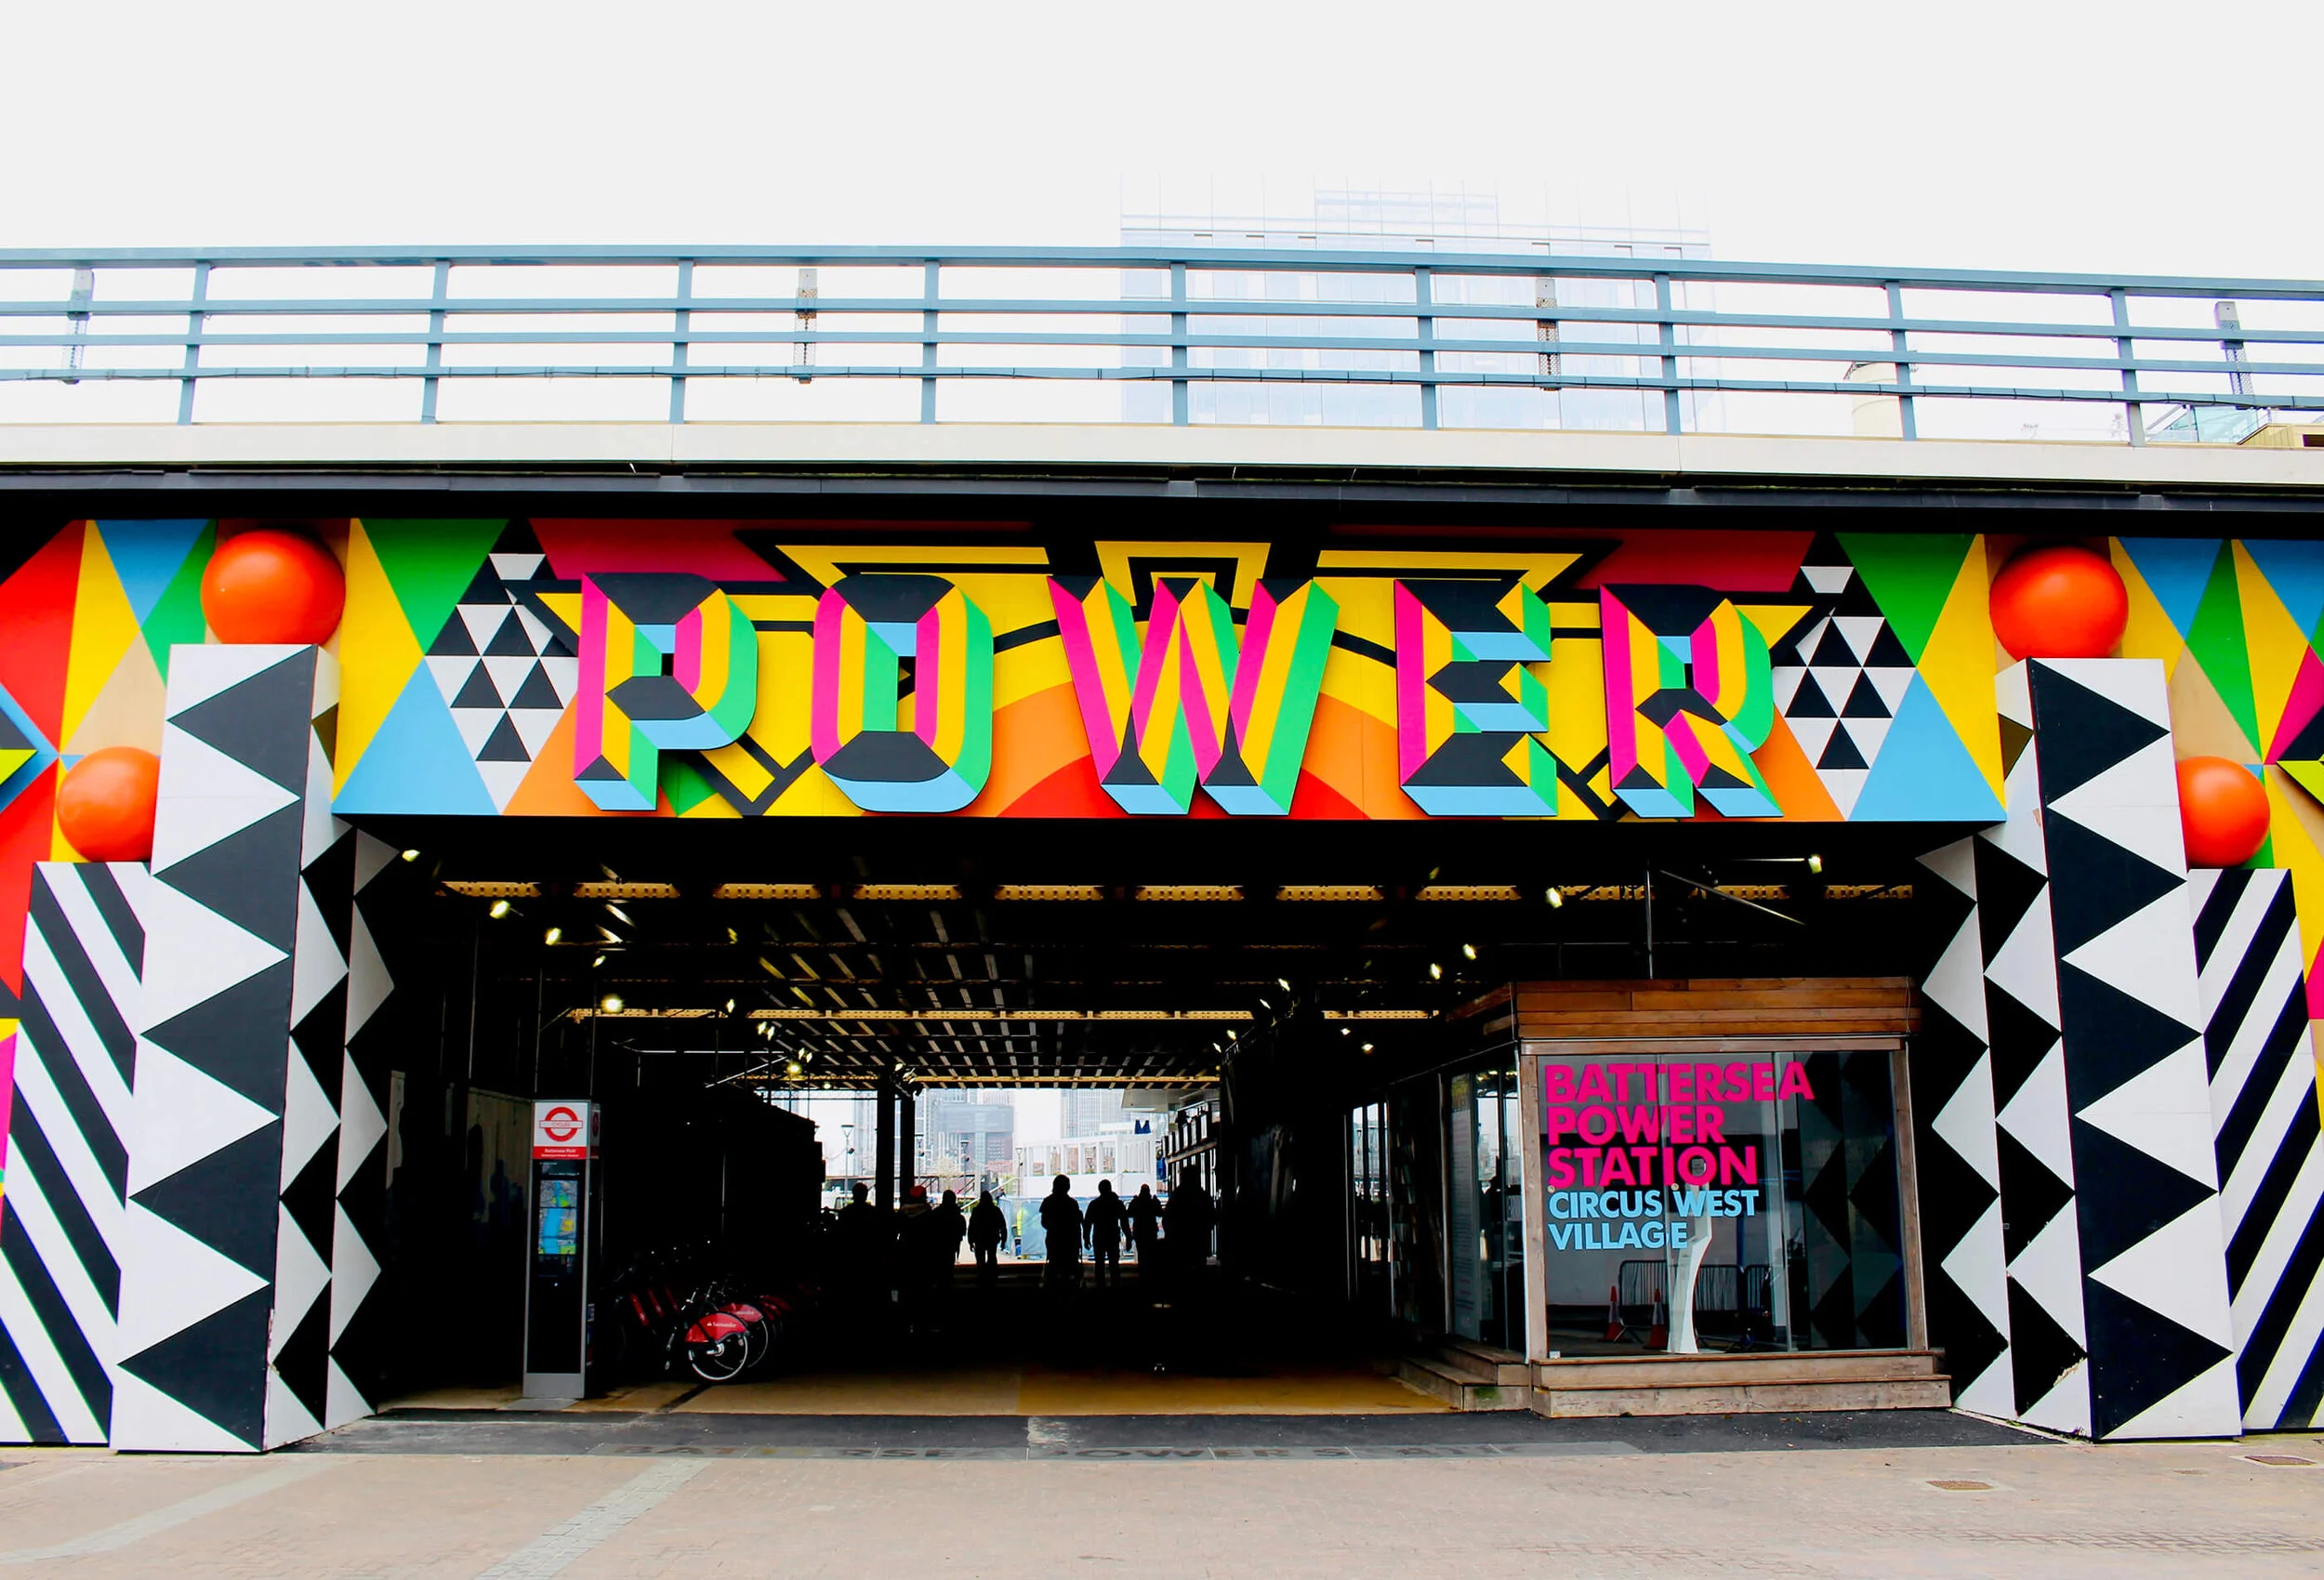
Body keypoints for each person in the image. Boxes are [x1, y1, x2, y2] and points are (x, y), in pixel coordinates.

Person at [1162, 1178, 1214, 1287]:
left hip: (1180, 1241)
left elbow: (1167, 1219)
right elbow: (1212, 1217)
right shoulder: (1203, 1196)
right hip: (1199, 1239)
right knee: (1199, 1269)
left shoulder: (1176, 1197)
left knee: (1182, 1271)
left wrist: (1170, 1236)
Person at [1038, 1174, 1083, 1292]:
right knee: (1069, 1268)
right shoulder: (1072, 1203)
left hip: (1054, 1239)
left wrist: (1054, 1228)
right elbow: (1077, 1224)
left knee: (1054, 1265)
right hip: (1070, 1241)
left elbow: (1044, 1222)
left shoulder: (1048, 1202)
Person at [1084, 1178, 1129, 1290]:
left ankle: (1101, 1287)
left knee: (1099, 1263)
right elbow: (1124, 1221)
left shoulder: (1094, 1204)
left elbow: (1088, 1222)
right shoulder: (1117, 1203)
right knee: (1114, 1263)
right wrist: (1128, 1236)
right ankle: (1115, 1287)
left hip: (1099, 1237)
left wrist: (1086, 1238)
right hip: (1113, 1236)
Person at [968, 1189, 1007, 1284]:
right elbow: (1003, 1226)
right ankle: (991, 1279)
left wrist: (970, 1241)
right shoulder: (996, 1210)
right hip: (992, 1238)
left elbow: (971, 1226)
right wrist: (1003, 1240)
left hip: (979, 1239)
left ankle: (982, 1279)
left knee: (980, 1260)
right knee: (992, 1258)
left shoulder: (976, 1210)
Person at [1128, 1182, 1162, 1275]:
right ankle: (1150, 1272)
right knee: (1151, 1253)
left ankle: (1142, 1271)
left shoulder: (1136, 1202)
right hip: (1151, 1230)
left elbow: (1129, 1213)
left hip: (1139, 1231)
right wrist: (1157, 1202)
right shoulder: (1152, 1202)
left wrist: (1133, 1202)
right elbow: (1160, 1213)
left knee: (1141, 1253)